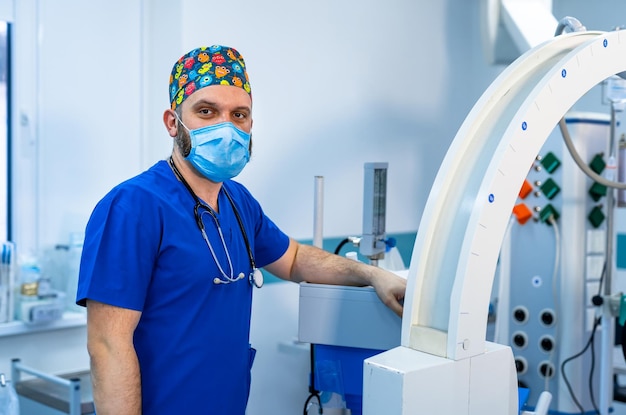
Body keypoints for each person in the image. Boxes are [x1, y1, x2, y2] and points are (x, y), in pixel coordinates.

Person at [76, 44, 406, 415]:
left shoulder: (237, 201)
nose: (226, 127)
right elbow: (108, 344)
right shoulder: (133, 207)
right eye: (206, 111)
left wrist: (372, 274)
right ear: (173, 122)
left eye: (239, 114)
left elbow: (294, 259)